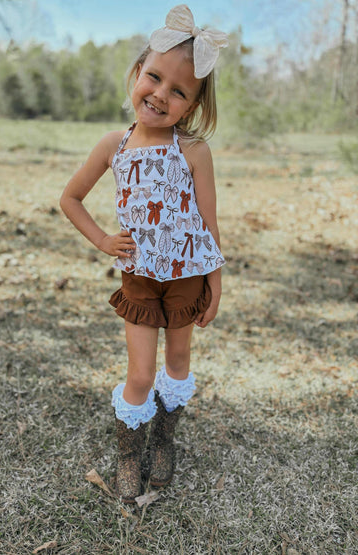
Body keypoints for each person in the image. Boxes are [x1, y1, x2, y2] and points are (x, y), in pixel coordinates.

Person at [60, 4, 228, 504]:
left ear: (191, 107)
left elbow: (209, 225)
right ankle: (129, 454)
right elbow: (71, 199)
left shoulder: (193, 150)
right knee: (140, 373)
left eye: (178, 91)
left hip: (186, 278)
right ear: (137, 73)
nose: (160, 94)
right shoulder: (114, 144)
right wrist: (102, 240)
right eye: (154, 77)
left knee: (177, 360)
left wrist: (215, 285)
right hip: (138, 278)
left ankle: (164, 441)